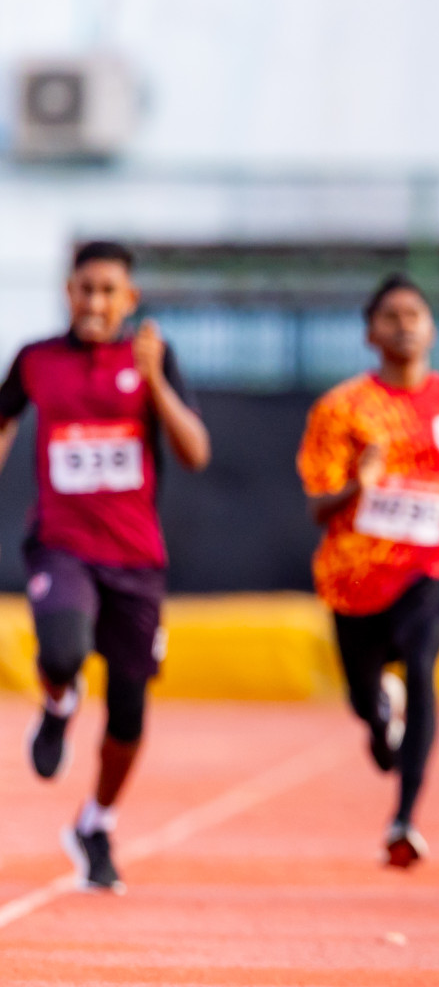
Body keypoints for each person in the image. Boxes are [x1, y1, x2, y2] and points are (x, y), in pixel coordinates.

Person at [0, 240, 210, 892]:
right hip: (61, 542)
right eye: (84, 288)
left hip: (136, 557)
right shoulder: (36, 360)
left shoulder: (154, 358)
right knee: (62, 649)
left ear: (130, 298)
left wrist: (151, 380)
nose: (94, 301)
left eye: (107, 290)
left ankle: (96, 822)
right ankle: (59, 702)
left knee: (128, 714)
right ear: (68, 292)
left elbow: (196, 452)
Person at [296, 274, 439, 868]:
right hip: (354, 576)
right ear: (370, 334)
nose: (404, 324)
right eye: (390, 316)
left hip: (432, 563)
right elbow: (317, 507)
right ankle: (378, 711)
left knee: (421, 663)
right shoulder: (341, 409)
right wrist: (353, 489)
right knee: (366, 707)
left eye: (414, 313)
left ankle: (405, 817)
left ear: (431, 327)